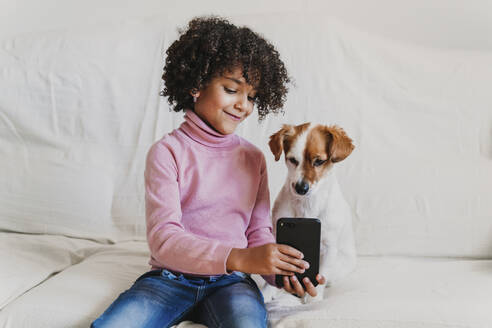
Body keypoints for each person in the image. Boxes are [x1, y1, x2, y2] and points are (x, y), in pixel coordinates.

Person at [92, 15, 325, 328]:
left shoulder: (253, 159)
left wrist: (279, 270)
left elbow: (258, 233)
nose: (243, 105)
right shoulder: (168, 153)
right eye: (232, 89)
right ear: (195, 85)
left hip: (232, 283)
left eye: (252, 96)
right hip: (168, 279)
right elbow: (164, 238)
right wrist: (238, 257)